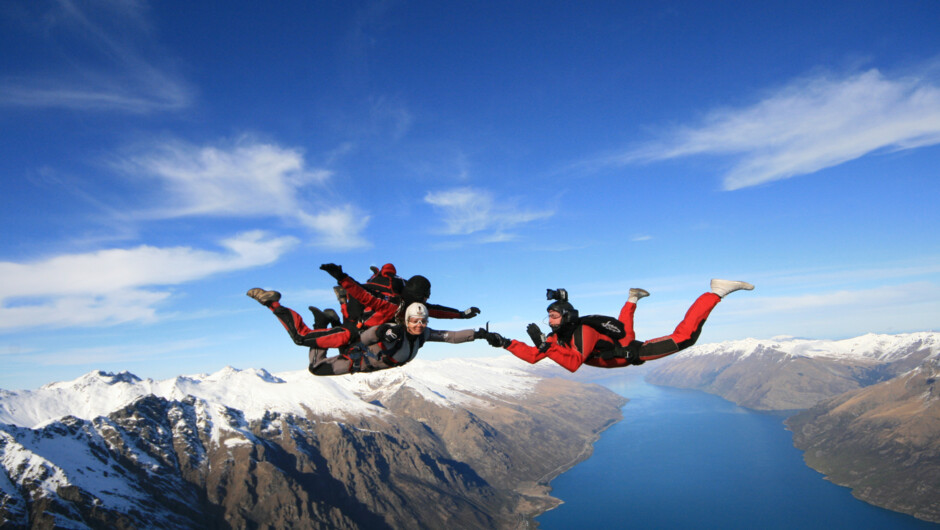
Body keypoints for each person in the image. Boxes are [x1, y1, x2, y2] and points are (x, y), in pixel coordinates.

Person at [479, 279, 754, 372]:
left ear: (566, 318)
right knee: (626, 332)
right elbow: (534, 357)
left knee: (685, 338)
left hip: (625, 356)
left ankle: (715, 292)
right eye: (548, 318)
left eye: (553, 317)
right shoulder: (556, 337)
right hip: (617, 349)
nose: (549, 322)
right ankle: (632, 298)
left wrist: (543, 344)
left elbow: (574, 363)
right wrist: (504, 342)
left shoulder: (580, 331)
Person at [246, 288, 486, 376]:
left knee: (329, 343)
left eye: (422, 322)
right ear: (406, 319)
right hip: (359, 359)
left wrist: (479, 334)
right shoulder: (394, 329)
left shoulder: (423, 333)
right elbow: (366, 337)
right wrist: (383, 332)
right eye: (415, 321)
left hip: (368, 360)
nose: (420, 325)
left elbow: (450, 337)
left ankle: (325, 319)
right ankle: (274, 304)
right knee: (315, 367)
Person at [320, 263, 481, 330]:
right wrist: (342, 278)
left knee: (357, 307)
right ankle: (342, 302)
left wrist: (462, 314)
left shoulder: (405, 294)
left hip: (367, 295)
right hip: (370, 318)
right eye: (425, 297)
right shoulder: (395, 300)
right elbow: (364, 295)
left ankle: (343, 302)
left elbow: (435, 310)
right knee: (350, 328)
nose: (426, 301)